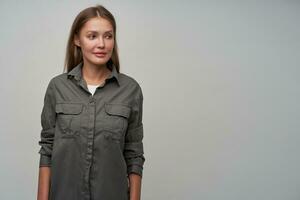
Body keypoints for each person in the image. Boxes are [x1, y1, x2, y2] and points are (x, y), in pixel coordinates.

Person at [37, 5, 145, 200]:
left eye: (108, 36)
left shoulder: (130, 90)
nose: (102, 44)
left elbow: (134, 153)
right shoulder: (57, 87)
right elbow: (47, 148)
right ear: (77, 40)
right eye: (92, 36)